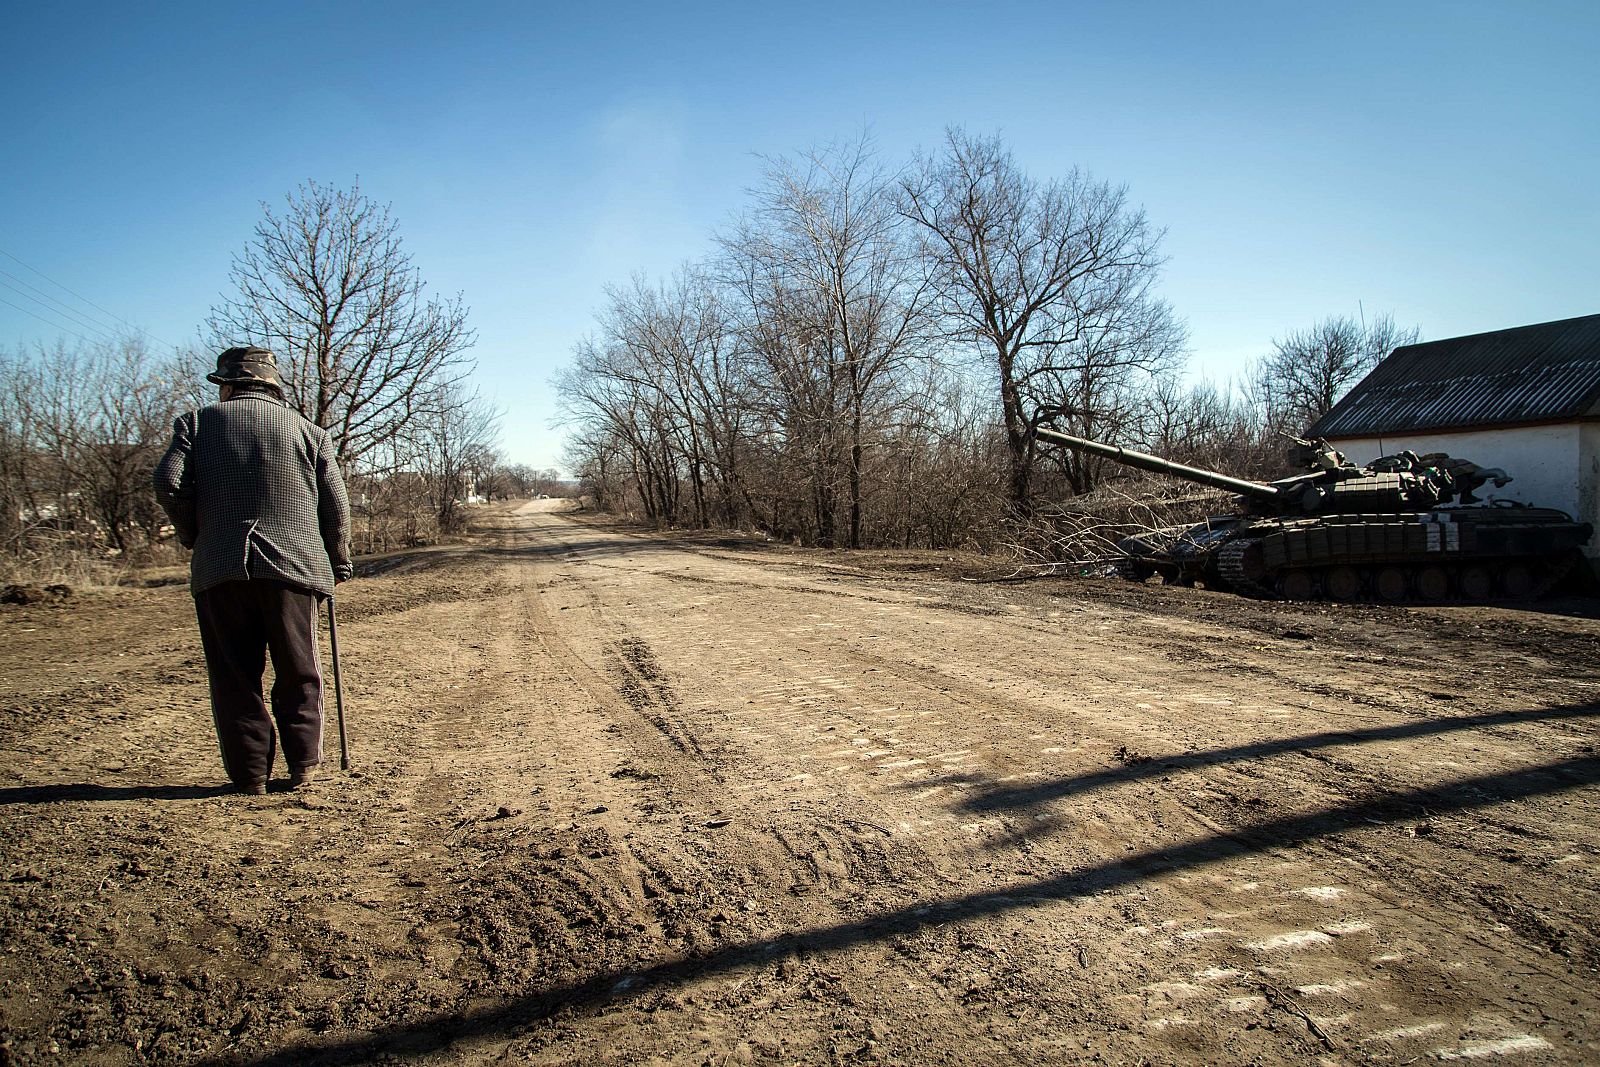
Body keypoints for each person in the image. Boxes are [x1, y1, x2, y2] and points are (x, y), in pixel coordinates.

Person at [154, 346, 352, 795]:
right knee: (299, 668)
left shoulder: (196, 423)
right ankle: (303, 764)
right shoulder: (310, 432)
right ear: (273, 387)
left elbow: (168, 482)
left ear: (226, 385)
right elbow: (336, 508)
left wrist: (195, 533)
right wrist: (336, 560)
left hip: (219, 567)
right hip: (295, 566)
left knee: (233, 673)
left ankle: (249, 775)